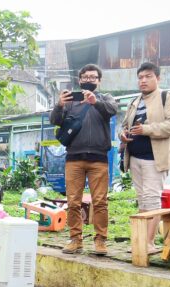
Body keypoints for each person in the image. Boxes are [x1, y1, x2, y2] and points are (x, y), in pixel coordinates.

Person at [50, 63, 119, 255]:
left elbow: (112, 110)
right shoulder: (71, 100)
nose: (89, 80)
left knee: (100, 201)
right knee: (73, 201)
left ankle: (100, 240)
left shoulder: (105, 98)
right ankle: (75, 239)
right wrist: (59, 105)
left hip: (99, 159)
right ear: (79, 80)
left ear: (99, 81)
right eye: (86, 77)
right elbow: (54, 120)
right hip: (74, 158)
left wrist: (95, 102)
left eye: (93, 77)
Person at [120, 62, 170, 253]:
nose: (143, 80)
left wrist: (146, 129)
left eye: (148, 76)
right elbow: (125, 125)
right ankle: (141, 242)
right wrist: (123, 134)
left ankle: (149, 243)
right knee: (142, 200)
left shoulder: (167, 97)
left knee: (152, 199)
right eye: (140, 77)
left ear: (158, 78)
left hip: (156, 158)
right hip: (135, 156)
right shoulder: (134, 101)